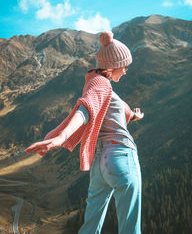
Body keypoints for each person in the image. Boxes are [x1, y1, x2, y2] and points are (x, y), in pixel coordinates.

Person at [26, 31, 144, 234]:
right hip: (122, 156)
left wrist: (133, 116)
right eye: (124, 66)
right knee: (130, 227)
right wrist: (61, 137)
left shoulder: (102, 86)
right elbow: (86, 109)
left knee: (91, 227)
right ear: (113, 65)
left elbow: (112, 109)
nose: (125, 71)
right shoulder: (100, 84)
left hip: (100, 164)